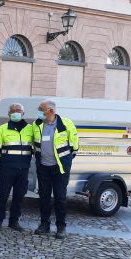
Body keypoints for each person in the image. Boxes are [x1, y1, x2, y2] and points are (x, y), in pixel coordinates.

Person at [32, 100, 79, 239]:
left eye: (41, 109)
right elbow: (33, 144)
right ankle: (44, 224)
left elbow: (74, 146)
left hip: (60, 169)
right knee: (44, 197)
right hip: (43, 167)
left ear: (50, 111)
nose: (39, 112)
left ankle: (61, 227)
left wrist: (66, 162)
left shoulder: (66, 124)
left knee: (60, 198)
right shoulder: (37, 124)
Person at [0, 103, 33, 232]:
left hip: (23, 169)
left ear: (23, 113)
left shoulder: (30, 129)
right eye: (13, 111)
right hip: (7, 169)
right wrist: (3, 164)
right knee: (3, 195)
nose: (16, 112)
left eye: (18, 110)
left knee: (19, 196)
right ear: (9, 114)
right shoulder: (2, 129)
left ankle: (14, 221)